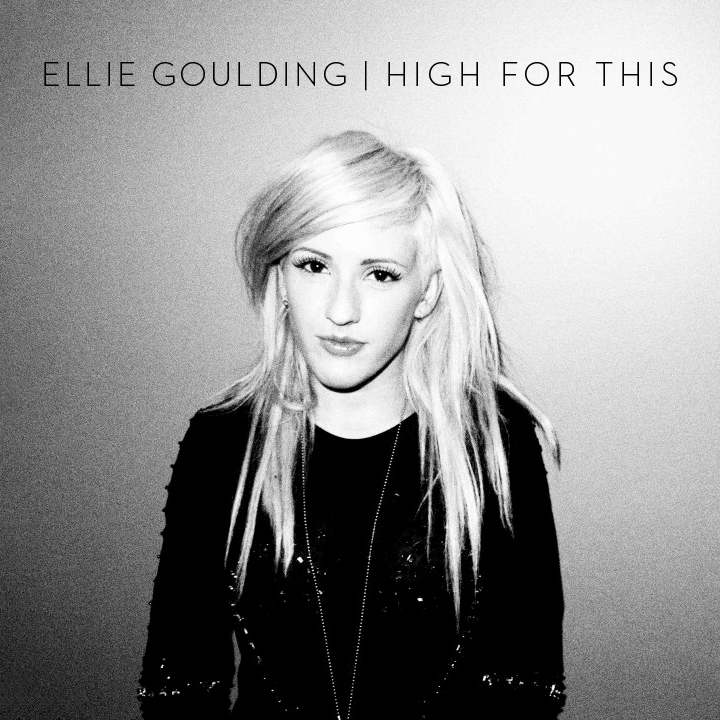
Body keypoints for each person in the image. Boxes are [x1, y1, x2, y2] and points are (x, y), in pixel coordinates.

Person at [138, 130, 566, 719]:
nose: (341, 310)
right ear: (280, 278)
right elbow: (180, 689)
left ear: (427, 291)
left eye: (380, 274)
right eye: (314, 265)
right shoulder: (223, 444)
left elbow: (523, 690)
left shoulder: (493, 441)